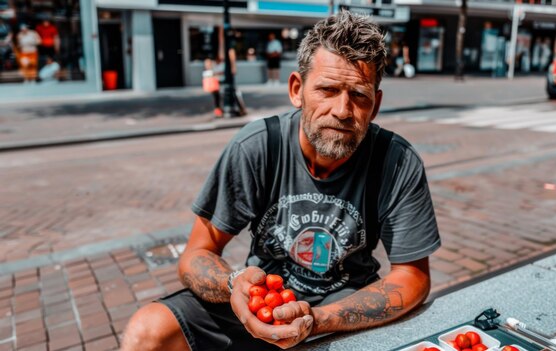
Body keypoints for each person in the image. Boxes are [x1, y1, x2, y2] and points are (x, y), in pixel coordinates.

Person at [122, 11, 440, 351]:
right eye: (328, 90)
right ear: (296, 90)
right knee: (147, 332)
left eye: (359, 96)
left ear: (375, 106)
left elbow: (413, 277)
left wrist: (319, 320)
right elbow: (196, 253)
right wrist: (235, 286)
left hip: (344, 308)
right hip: (258, 300)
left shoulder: (397, 161)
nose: (343, 111)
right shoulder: (258, 145)